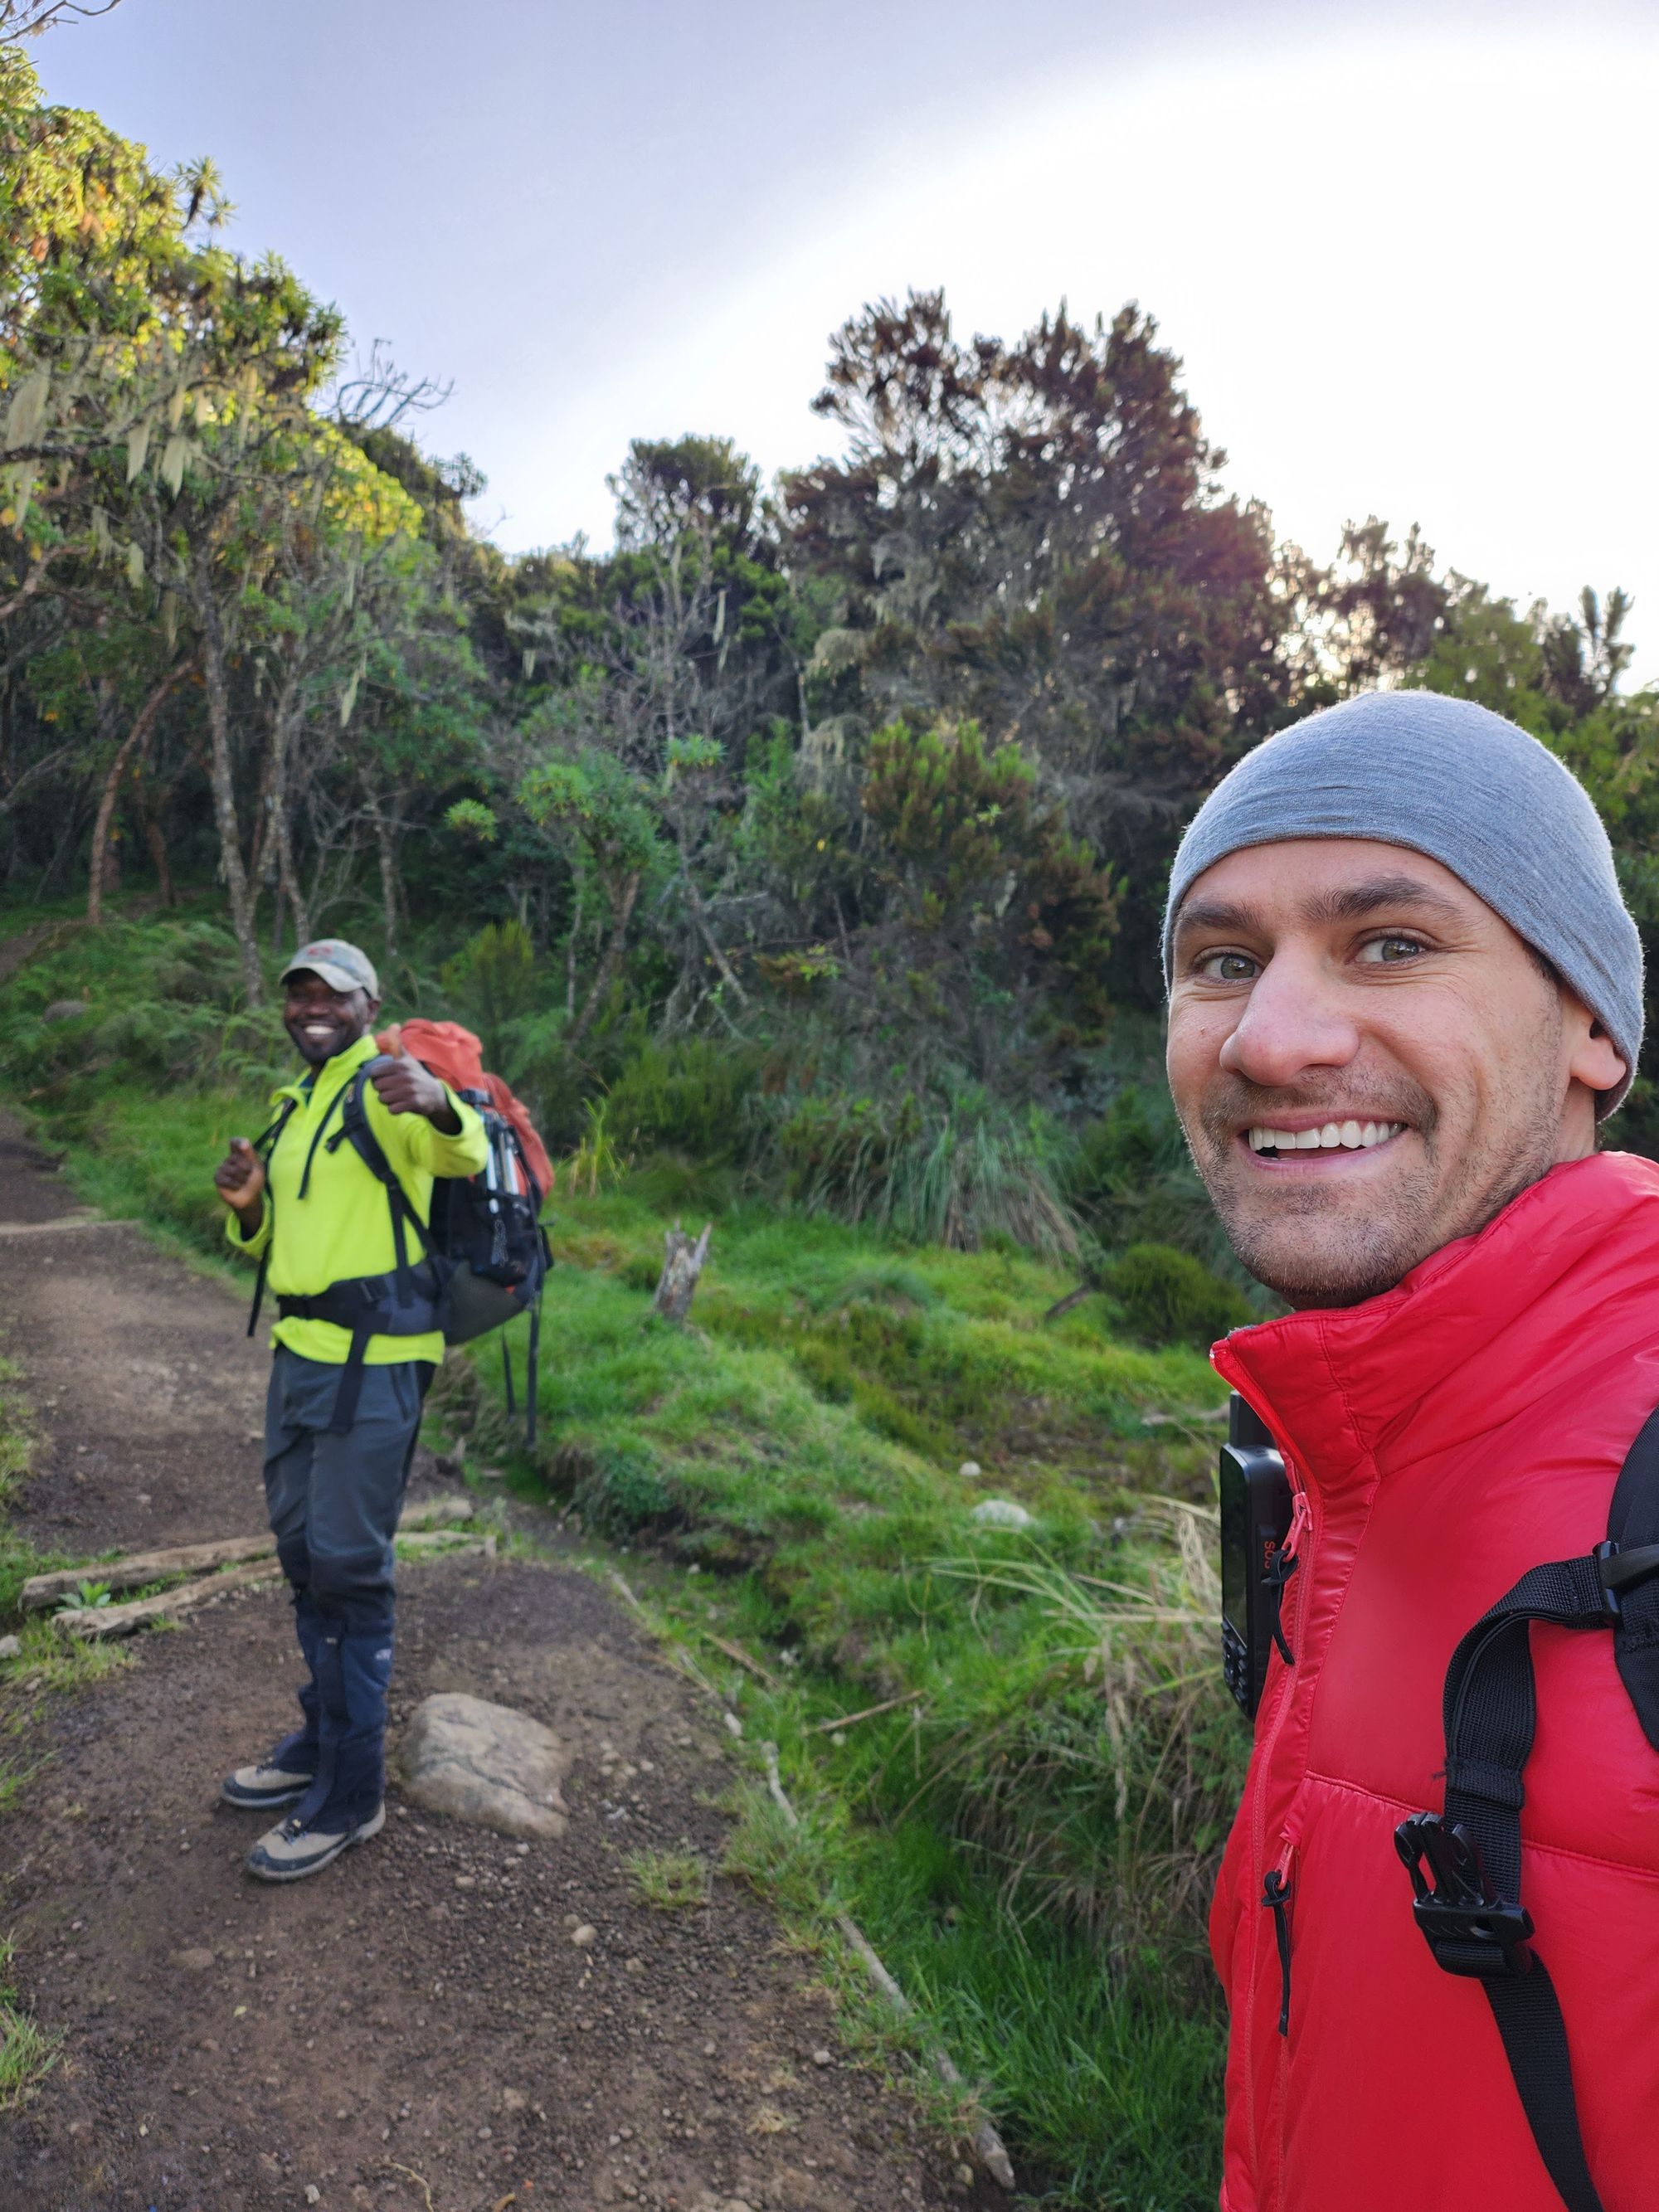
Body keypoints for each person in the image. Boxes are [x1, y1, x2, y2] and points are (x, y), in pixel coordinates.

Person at [1162, 690, 1656, 2212]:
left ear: (1592, 1024)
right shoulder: (1337, 1462)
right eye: (1222, 962)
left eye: (1392, 942)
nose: (1270, 1036)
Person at [213, 939, 487, 1882]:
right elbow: (283, 1242)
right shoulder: (296, 1105)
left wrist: (441, 1102)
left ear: (369, 1004)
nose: (310, 1008)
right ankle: (320, 1737)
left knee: (346, 1568)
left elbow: (459, 1150)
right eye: (298, 994)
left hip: (377, 1364)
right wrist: (249, 1209)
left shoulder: (383, 1085)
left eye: (331, 994)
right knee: (300, 1552)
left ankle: (351, 1792)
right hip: (301, 1355)